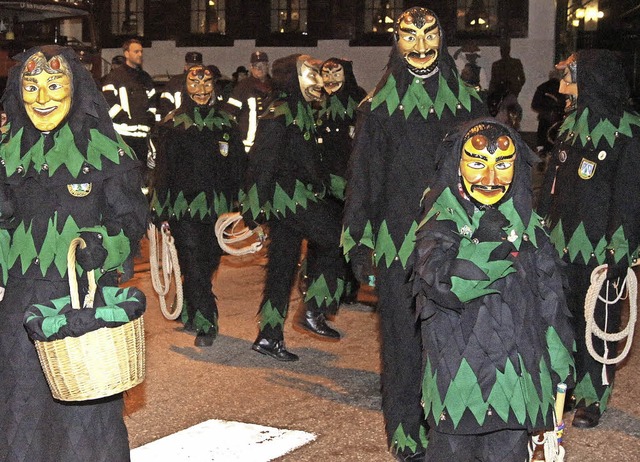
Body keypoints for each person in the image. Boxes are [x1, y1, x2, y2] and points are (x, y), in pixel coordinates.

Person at [342, 7, 487, 461]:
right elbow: (362, 177)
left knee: (453, 336)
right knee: (403, 340)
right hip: (395, 240)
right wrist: (359, 239)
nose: (421, 47)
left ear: (443, 38)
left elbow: (489, 173)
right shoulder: (377, 107)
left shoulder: (469, 103)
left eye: (429, 35)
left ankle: (448, 426)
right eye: (409, 36)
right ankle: (406, 435)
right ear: (396, 42)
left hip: (455, 238)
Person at [0, 44, 148, 461]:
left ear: (76, 88)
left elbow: (133, 220)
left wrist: (105, 244)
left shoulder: (104, 147)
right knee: (19, 407)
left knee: (86, 418)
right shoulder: (6, 150)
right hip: (19, 303)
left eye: (53, 84)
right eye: (31, 87)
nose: (42, 98)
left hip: (81, 301)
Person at [412, 118, 575, 460]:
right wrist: (493, 243)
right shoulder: (441, 221)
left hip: (515, 384)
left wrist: (559, 364)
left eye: (502, 165)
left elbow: (550, 299)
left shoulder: (527, 225)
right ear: (457, 166)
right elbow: (446, 284)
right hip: (459, 383)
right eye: (476, 163)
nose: (490, 178)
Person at [537, 50, 640, 429]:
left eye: (571, 77)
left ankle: (593, 397)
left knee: (599, 321)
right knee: (560, 319)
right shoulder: (570, 125)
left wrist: (620, 251)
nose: (564, 86)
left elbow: (629, 197)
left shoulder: (629, 130)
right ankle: (563, 389)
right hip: (560, 240)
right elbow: (552, 184)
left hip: (600, 247)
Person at [240, 54, 345, 361]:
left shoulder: (299, 110)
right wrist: (253, 206)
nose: (320, 82)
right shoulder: (282, 110)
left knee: (282, 268)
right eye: (311, 74)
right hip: (289, 199)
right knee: (337, 236)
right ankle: (314, 308)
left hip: (291, 198)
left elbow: (306, 160)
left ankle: (269, 336)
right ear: (293, 78)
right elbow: (262, 160)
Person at [149, 64, 247, 347]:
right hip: (184, 208)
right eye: (195, 84)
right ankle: (207, 321)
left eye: (207, 85)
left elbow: (238, 166)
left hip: (218, 209)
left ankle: (192, 308)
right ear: (185, 88)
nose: (201, 91)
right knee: (193, 261)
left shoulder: (227, 123)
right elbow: (162, 171)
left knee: (208, 261)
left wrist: (244, 202)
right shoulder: (172, 124)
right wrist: (159, 208)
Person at [315, 57, 366, 302]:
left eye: (336, 74)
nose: (331, 80)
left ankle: (350, 287)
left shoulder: (359, 101)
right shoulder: (317, 102)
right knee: (327, 236)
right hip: (324, 179)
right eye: (326, 74)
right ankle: (324, 288)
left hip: (351, 179)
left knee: (351, 233)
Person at [101, 38, 157, 172]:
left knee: (141, 174)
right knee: (121, 173)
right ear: (126, 53)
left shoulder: (145, 78)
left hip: (142, 137)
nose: (140, 55)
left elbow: (153, 102)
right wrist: (126, 120)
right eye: (136, 51)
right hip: (121, 136)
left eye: (141, 52)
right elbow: (107, 102)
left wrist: (148, 119)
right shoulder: (115, 77)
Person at [223, 51, 273, 152]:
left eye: (263, 65)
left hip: (270, 142)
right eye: (256, 65)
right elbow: (230, 112)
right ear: (251, 67)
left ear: (268, 66)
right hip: (248, 143)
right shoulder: (243, 87)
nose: (259, 68)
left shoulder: (274, 87)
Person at [531, 69, 566, 155]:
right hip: (558, 120)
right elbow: (565, 104)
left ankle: (541, 160)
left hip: (544, 119)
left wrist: (545, 111)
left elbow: (534, 104)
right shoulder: (563, 88)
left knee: (542, 145)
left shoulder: (542, 87)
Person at [158, 51, 203, 118]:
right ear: (185, 67)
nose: (194, 69)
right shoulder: (174, 83)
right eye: (191, 66)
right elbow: (165, 105)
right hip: (179, 125)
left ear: (202, 67)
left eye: (196, 66)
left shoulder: (208, 83)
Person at [488, 41, 526, 117]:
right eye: (502, 50)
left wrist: (516, 88)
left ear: (509, 50)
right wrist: (491, 92)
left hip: (511, 90)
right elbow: (493, 80)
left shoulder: (515, 63)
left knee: (512, 110)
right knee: (500, 110)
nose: (503, 52)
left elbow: (522, 78)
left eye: (505, 50)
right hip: (499, 91)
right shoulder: (496, 64)